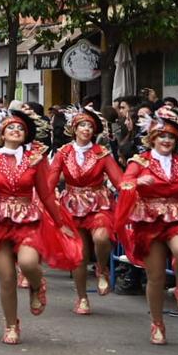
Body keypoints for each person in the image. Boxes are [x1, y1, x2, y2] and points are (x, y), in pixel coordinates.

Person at [0, 109, 81, 344]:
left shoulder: (36, 159)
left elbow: (45, 194)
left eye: (20, 128)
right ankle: (11, 324)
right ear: (1, 134)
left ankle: (36, 283)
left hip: (28, 220)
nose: (16, 130)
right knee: (7, 278)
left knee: (28, 262)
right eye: (11, 127)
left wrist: (61, 223)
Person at [114, 106, 178, 345]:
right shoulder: (139, 161)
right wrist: (138, 181)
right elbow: (124, 183)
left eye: (171, 136)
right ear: (152, 139)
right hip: (148, 221)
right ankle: (157, 322)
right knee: (156, 277)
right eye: (162, 136)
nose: (167, 140)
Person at [49, 106, 123, 313]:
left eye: (90, 126)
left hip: (98, 202)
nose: (86, 129)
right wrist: (47, 195)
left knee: (101, 237)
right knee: (78, 255)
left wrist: (136, 185)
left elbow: (119, 180)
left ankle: (102, 268)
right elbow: (51, 179)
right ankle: (82, 298)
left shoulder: (102, 153)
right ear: (74, 128)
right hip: (71, 204)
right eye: (82, 125)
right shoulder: (63, 153)